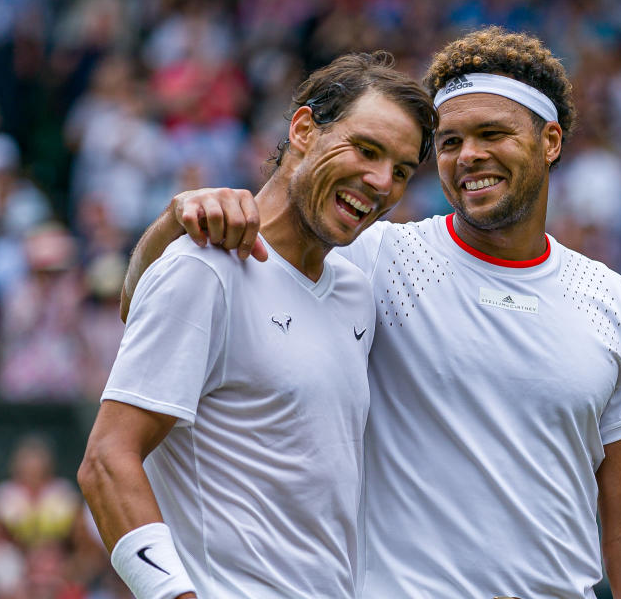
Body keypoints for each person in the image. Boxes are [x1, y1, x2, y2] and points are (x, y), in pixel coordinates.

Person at [123, 28, 621, 598]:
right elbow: (148, 302)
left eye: (493, 134)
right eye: (451, 141)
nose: (470, 157)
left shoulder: (610, 299)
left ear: (550, 142)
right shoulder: (372, 256)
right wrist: (177, 221)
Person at [77, 51, 435, 599]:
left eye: (402, 170)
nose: (382, 181)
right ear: (303, 129)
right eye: (366, 149)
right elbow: (106, 462)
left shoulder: (357, 289)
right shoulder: (201, 268)